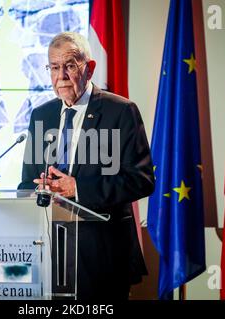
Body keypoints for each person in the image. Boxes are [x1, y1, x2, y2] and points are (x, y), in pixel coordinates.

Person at [18, 32, 155, 300]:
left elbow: (141, 179)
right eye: (54, 67)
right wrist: (41, 190)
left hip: (103, 255)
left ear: (89, 68)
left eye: (69, 65)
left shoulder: (121, 111)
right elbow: (26, 183)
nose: (61, 76)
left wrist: (76, 188)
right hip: (51, 254)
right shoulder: (41, 115)